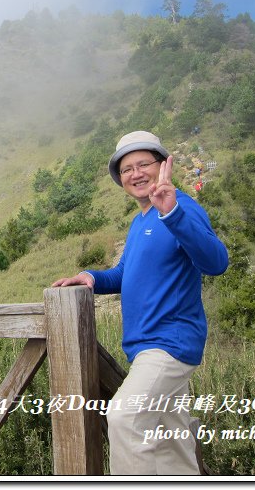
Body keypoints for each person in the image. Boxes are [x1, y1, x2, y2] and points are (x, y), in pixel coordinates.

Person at [52, 131, 228, 475]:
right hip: (146, 348)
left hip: (170, 344)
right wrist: (90, 277)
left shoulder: (182, 209)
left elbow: (216, 262)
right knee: (173, 442)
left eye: (143, 164)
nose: (135, 174)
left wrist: (172, 212)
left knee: (124, 416)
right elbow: (124, 274)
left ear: (163, 165)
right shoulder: (140, 221)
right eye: (126, 169)